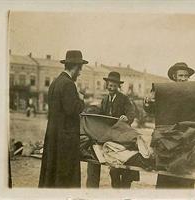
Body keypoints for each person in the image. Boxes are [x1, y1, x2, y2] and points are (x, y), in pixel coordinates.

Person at [39, 50, 88, 188]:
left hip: (54, 134)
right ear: (76, 67)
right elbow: (72, 110)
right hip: (66, 138)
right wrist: (81, 100)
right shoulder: (68, 84)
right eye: (80, 69)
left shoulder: (55, 83)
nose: (79, 73)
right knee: (65, 176)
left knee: (52, 173)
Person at [86, 71, 138, 188]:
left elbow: (131, 113)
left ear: (118, 86)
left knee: (120, 168)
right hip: (109, 136)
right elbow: (102, 116)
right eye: (110, 85)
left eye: (114, 86)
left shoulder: (124, 99)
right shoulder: (105, 100)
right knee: (105, 164)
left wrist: (126, 118)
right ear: (107, 85)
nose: (111, 88)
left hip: (121, 135)